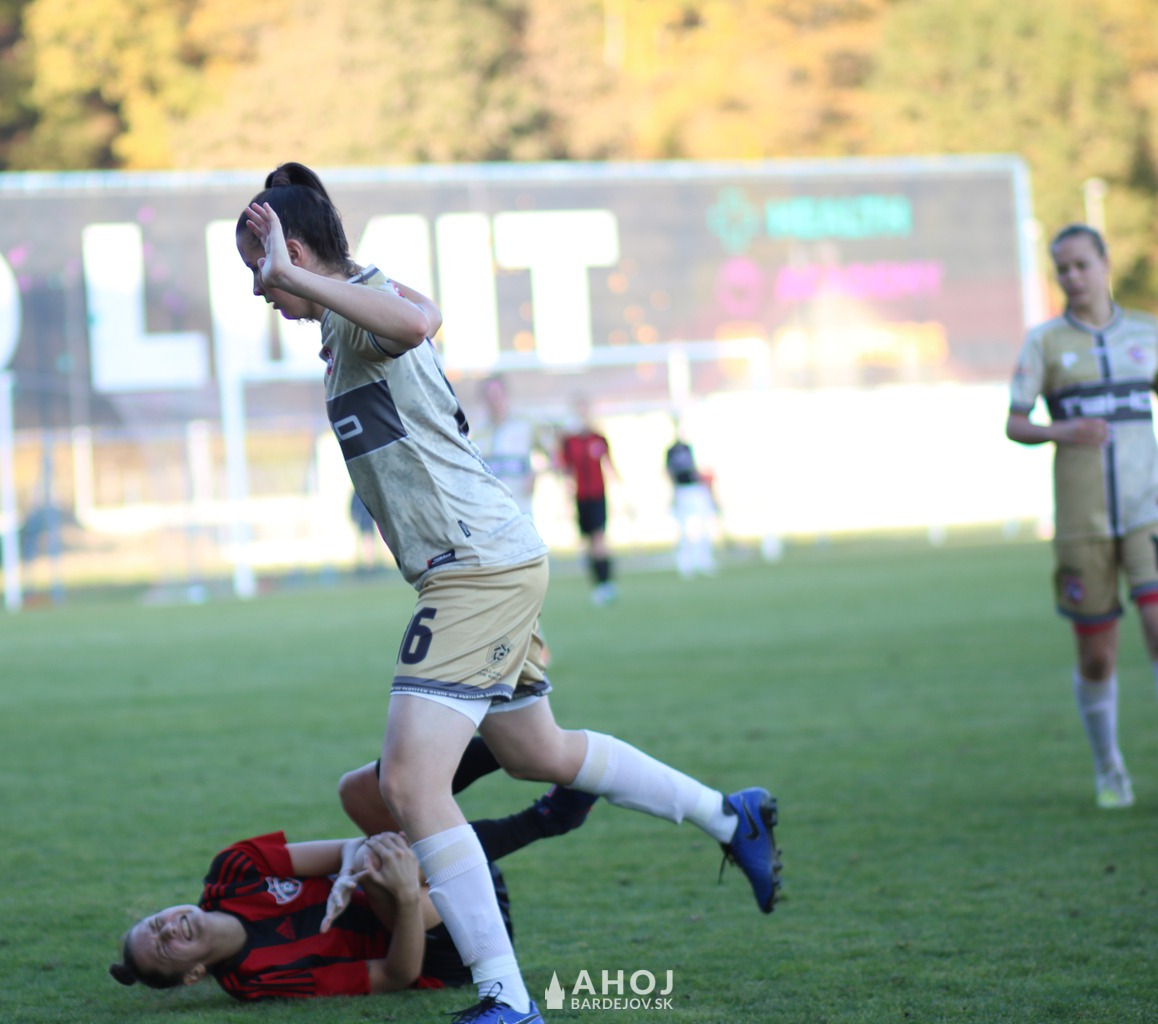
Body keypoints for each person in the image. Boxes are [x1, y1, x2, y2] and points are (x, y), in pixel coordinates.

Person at [235, 162, 780, 1024]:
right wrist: (308, 277)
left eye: (262, 270)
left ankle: (506, 998)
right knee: (537, 752)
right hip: (487, 559)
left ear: (295, 253)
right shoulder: (351, 316)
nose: (261, 291)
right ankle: (729, 816)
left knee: (409, 784)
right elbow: (420, 311)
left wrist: (296, 275)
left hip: (475, 567)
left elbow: (417, 320)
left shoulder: (361, 310)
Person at [108, 743, 598, 1001]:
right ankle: (548, 818)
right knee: (383, 869)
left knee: (356, 791)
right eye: (165, 946)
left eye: (156, 923)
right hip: (448, 945)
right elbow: (396, 975)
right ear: (194, 974)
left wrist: (347, 874)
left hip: (422, 873)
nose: (169, 928)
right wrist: (401, 897)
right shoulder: (254, 980)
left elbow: (351, 846)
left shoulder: (232, 871)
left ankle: (509, 744)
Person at [1006, 222, 1158, 810]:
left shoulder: (1145, 333)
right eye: (1062, 269)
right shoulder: (1044, 342)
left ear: (1104, 262)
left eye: (1080, 265)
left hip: (1147, 512)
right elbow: (1016, 422)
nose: (1072, 277)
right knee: (1097, 656)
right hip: (1081, 523)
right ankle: (1109, 767)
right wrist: (1061, 429)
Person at [558, 401, 619, 606]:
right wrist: (567, 498)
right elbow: (566, 470)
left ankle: (606, 583)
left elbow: (609, 466)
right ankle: (597, 585)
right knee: (587, 543)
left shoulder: (598, 438)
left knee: (599, 539)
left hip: (597, 496)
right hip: (580, 497)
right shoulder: (569, 441)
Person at [664, 428, 718, 579]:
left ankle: (704, 560)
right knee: (683, 529)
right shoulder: (670, 451)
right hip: (681, 490)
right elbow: (669, 471)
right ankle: (685, 563)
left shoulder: (690, 447)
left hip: (695, 489)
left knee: (703, 526)